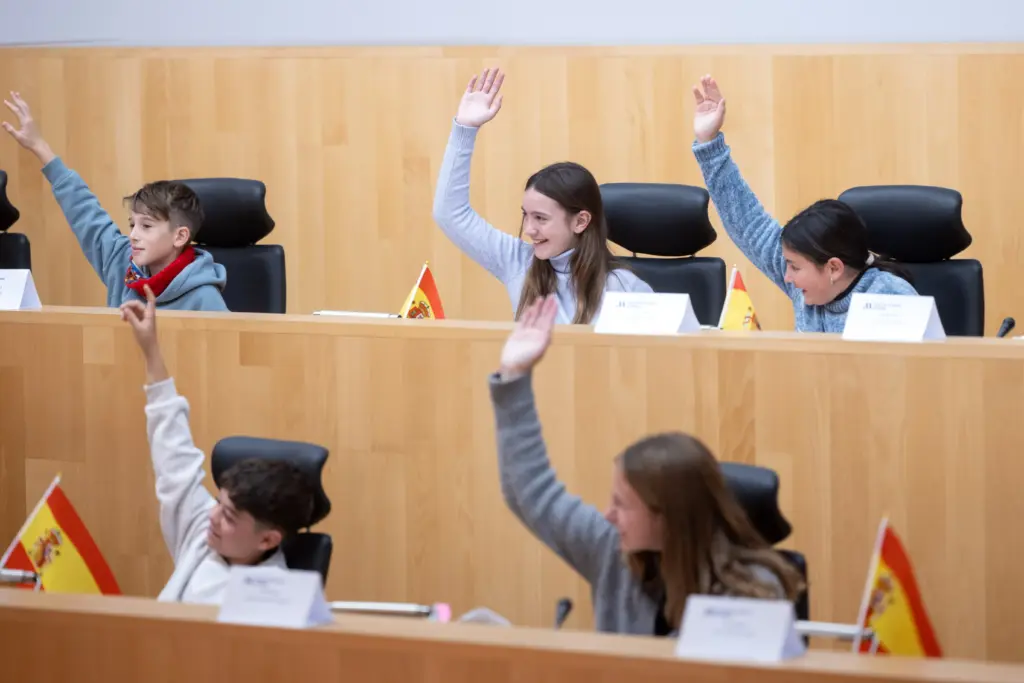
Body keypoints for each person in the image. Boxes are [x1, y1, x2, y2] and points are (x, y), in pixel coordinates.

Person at [488, 294, 804, 635]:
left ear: (667, 514)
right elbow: (530, 494)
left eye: (622, 504)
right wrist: (514, 376)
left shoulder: (753, 592)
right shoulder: (612, 552)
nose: (608, 515)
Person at [120, 285, 316, 603]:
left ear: (267, 540)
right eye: (219, 505)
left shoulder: (273, 599)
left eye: (229, 516)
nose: (212, 517)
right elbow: (172, 454)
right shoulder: (204, 531)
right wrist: (151, 350)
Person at [690, 76, 918, 332]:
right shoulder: (807, 271)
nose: (787, 277)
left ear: (833, 268)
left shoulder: (892, 298)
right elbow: (748, 223)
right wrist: (709, 144)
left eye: (794, 268)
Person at [432, 68, 653, 325]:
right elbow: (449, 213)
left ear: (580, 221)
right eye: (526, 216)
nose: (529, 229)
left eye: (541, 218)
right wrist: (465, 129)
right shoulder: (518, 262)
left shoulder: (624, 287)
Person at [2, 91, 228, 311]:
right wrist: (39, 146)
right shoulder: (122, 262)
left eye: (146, 226)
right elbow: (85, 212)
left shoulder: (204, 298)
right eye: (132, 224)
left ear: (180, 236)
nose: (133, 235)